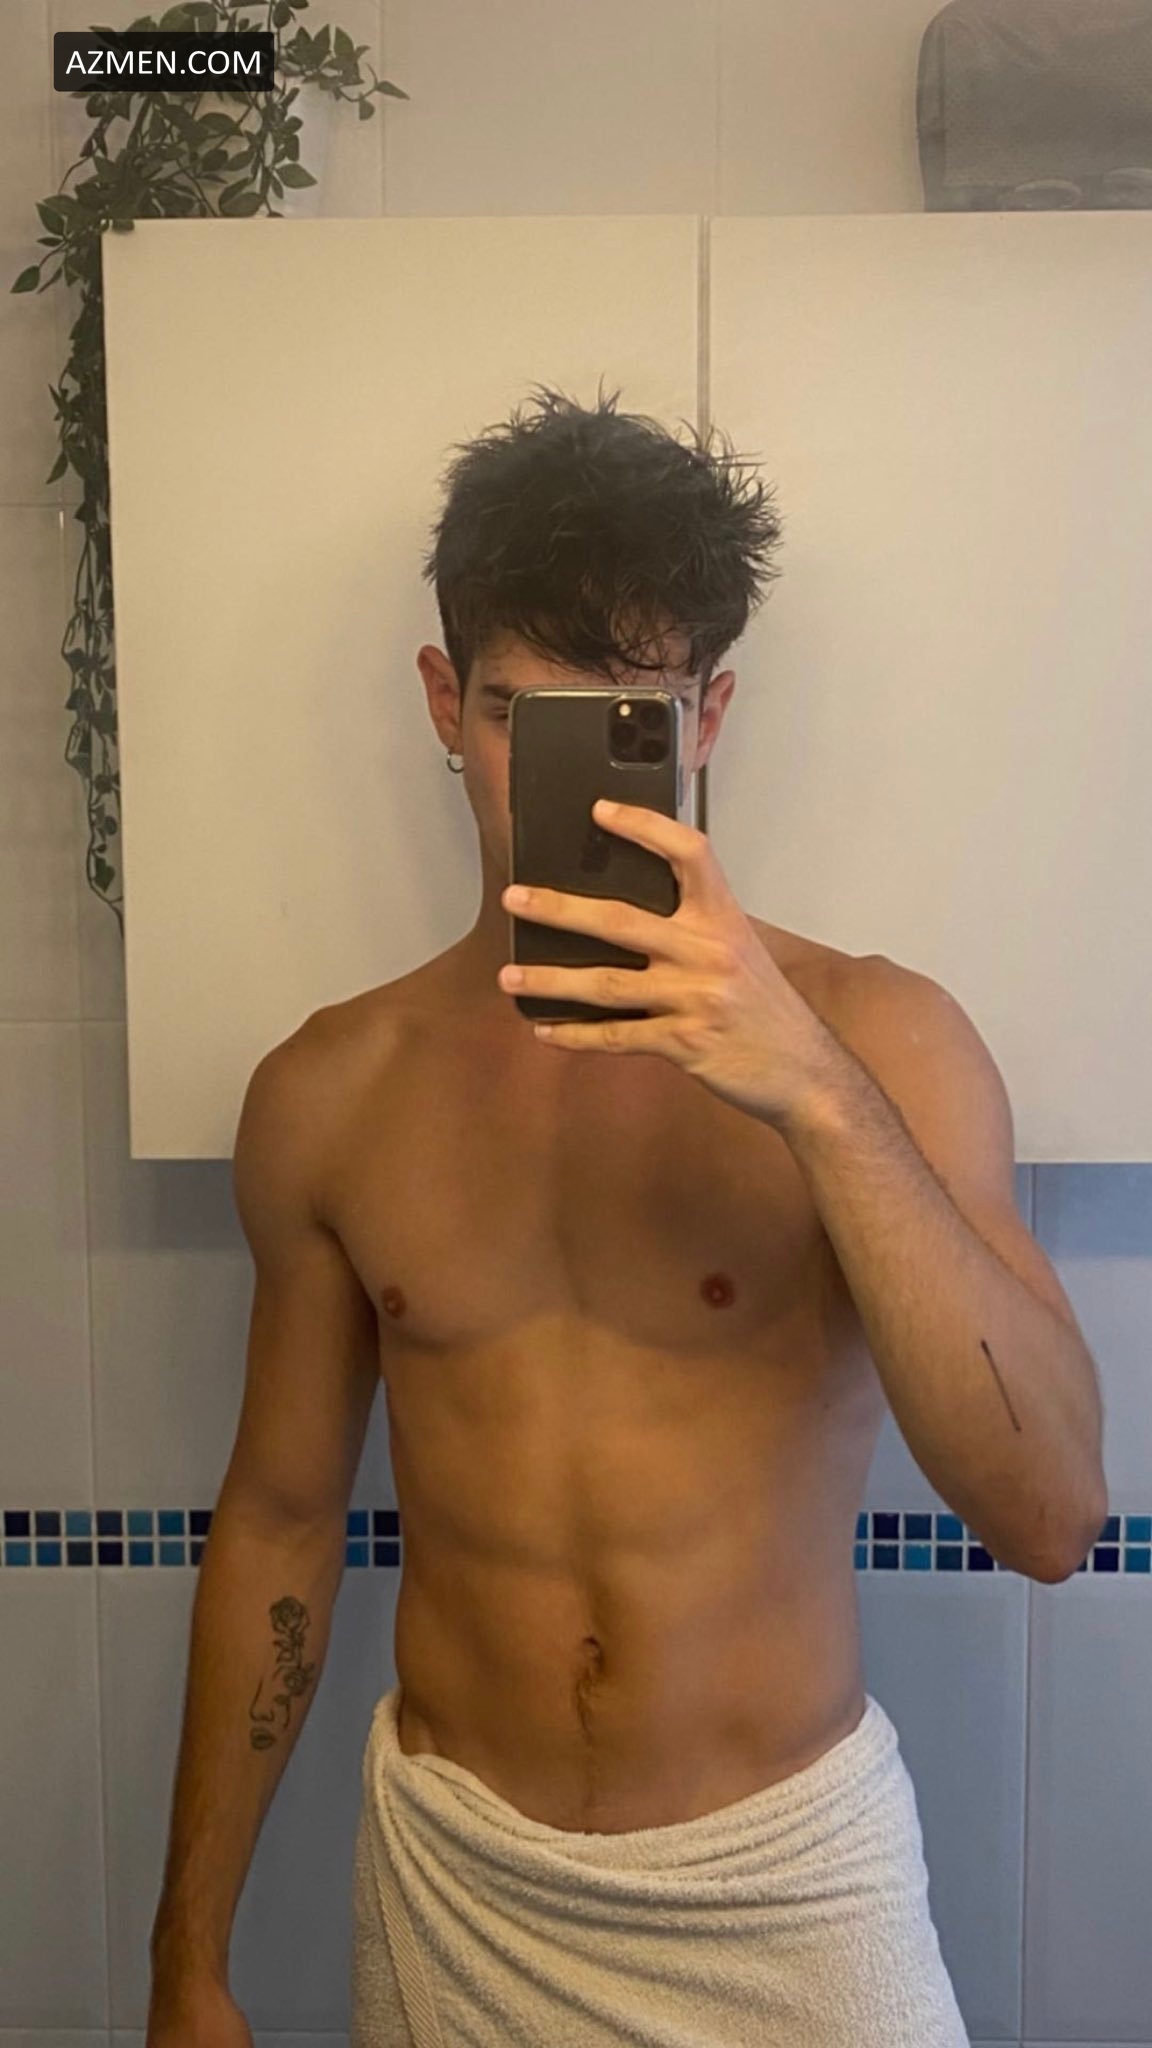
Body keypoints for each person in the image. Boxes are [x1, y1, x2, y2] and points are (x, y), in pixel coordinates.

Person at [146, 384, 1107, 2048]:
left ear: (707, 715)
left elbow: (1052, 1516)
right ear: (443, 703)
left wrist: (815, 1095)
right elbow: (283, 1521)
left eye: (631, 718)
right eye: (519, 714)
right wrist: (189, 1960)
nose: (573, 781)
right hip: (457, 1884)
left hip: (786, 1891)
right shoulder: (332, 1092)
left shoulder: (880, 1040)